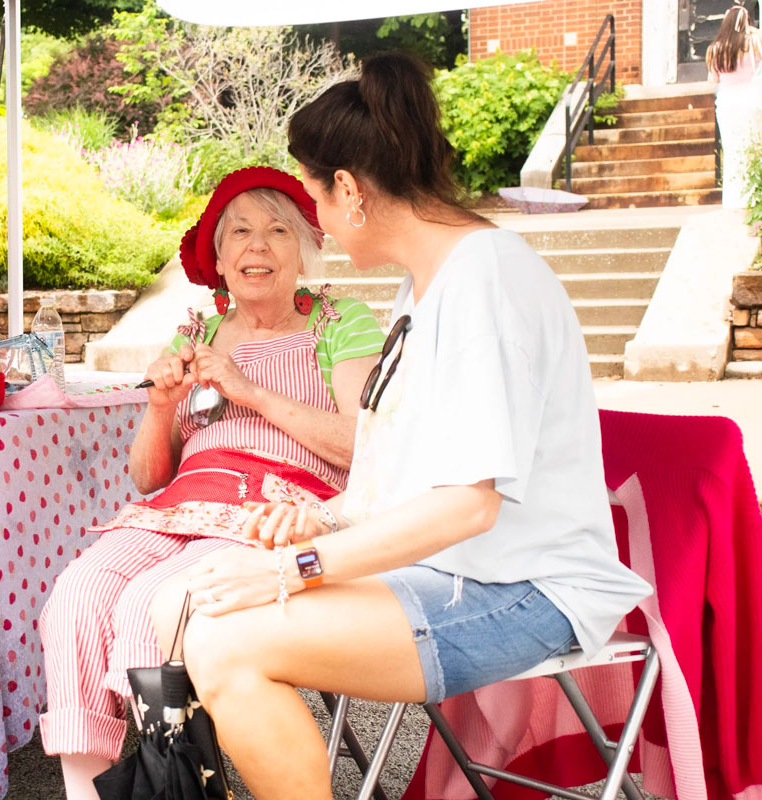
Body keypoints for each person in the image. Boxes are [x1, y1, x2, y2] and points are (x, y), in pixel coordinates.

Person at [159, 52, 653, 800]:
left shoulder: (484, 283)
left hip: (523, 588)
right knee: (193, 605)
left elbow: (469, 503)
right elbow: (413, 462)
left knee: (228, 644)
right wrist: (322, 520)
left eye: (315, 200)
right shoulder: (428, 284)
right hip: (460, 571)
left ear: (350, 191)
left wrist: (293, 569)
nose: (318, 222)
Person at [38, 166, 385, 799]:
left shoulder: (341, 320)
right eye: (241, 232)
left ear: (306, 247)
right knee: (77, 594)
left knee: (153, 601)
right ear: (218, 257)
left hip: (279, 509)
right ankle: (89, 792)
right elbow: (148, 476)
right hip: (181, 505)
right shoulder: (197, 331)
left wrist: (248, 390)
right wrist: (161, 405)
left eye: (279, 230)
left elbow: (364, 443)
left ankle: (168, 785)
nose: (258, 246)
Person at [707, 4, 762, 208]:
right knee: (753, 148)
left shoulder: (715, 49)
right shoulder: (753, 42)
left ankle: (733, 201)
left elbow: (714, 79)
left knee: (731, 150)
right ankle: (753, 196)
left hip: (727, 103)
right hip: (750, 100)